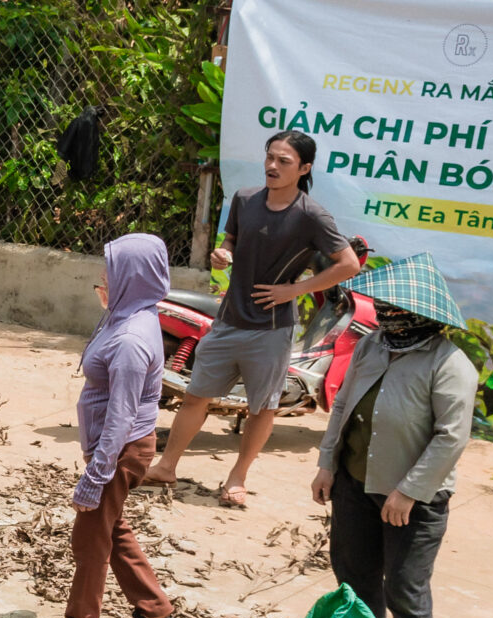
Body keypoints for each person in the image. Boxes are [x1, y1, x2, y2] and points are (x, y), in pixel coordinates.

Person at [145, 130, 362, 506]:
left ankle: (237, 478)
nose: (272, 166)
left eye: (284, 161)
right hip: (228, 320)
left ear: (304, 168)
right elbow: (230, 240)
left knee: (263, 408)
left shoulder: (312, 215)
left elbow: (348, 264)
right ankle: (166, 466)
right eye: (270, 157)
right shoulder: (244, 199)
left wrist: (295, 290)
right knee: (196, 397)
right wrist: (222, 253)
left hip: (272, 330)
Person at [310, 254, 478, 618]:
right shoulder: (372, 345)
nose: (385, 314)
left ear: (421, 314)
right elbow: (343, 405)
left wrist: (409, 492)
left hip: (413, 501)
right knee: (354, 581)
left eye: (395, 309)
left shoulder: (450, 363)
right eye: (382, 306)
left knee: (405, 591)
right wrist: (327, 463)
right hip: (353, 484)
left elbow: (451, 437)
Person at [32, 235, 181, 618]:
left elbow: (121, 416)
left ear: (132, 277)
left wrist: (95, 476)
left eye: (111, 270)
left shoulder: (132, 338)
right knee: (112, 531)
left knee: (90, 538)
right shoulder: (131, 314)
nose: (102, 276)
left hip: (119, 451)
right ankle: (156, 614)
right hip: (114, 449)